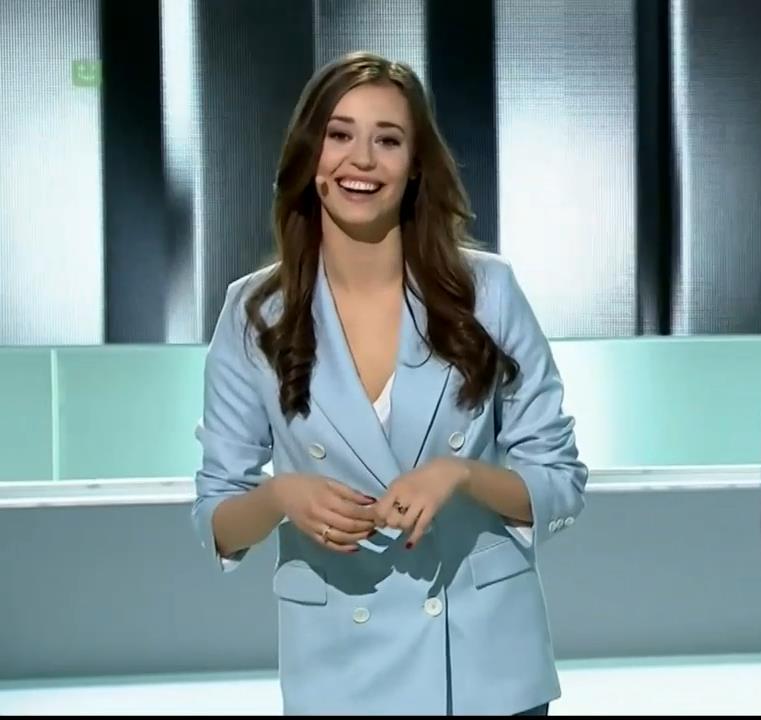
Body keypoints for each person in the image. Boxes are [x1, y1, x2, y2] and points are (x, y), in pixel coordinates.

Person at [191, 51, 587, 716]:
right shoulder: (253, 313)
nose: (362, 160)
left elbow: (561, 481)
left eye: (388, 140)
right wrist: (283, 495)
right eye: (340, 134)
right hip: (337, 671)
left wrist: (461, 475)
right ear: (310, 155)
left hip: (485, 671)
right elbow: (219, 520)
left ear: (416, 165)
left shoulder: (488, 293)